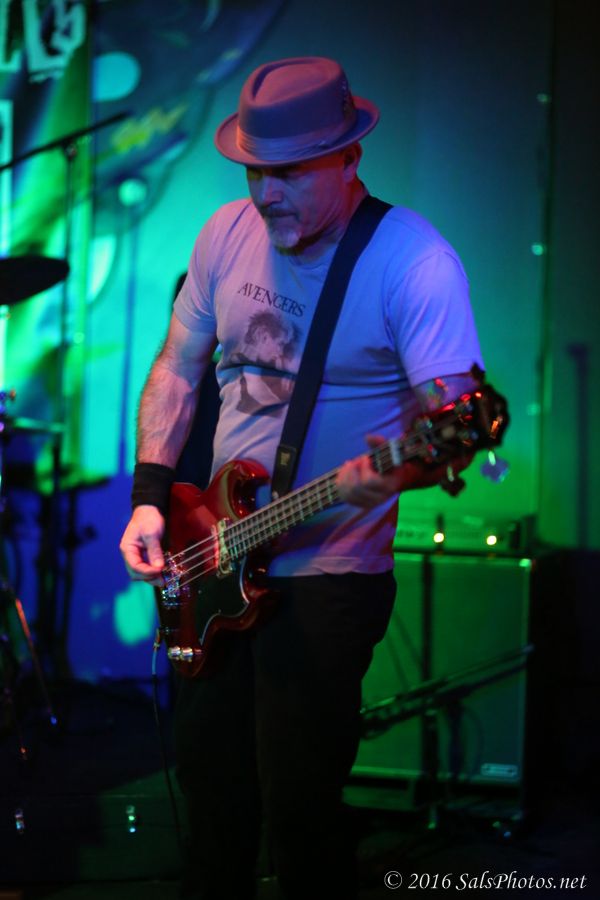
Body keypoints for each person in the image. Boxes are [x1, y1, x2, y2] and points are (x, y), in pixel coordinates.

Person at [119, 56, 484, 900]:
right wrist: (149, 497)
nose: (266, 194)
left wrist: (391, 471)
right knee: (211, 802)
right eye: (255, 171)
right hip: (214, 551)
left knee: (300, 811)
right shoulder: (224, 234)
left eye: (288, 173)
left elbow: (455, 426)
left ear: (349, 156)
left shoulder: (414, 263)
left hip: (329, 573)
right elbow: (178, 368)